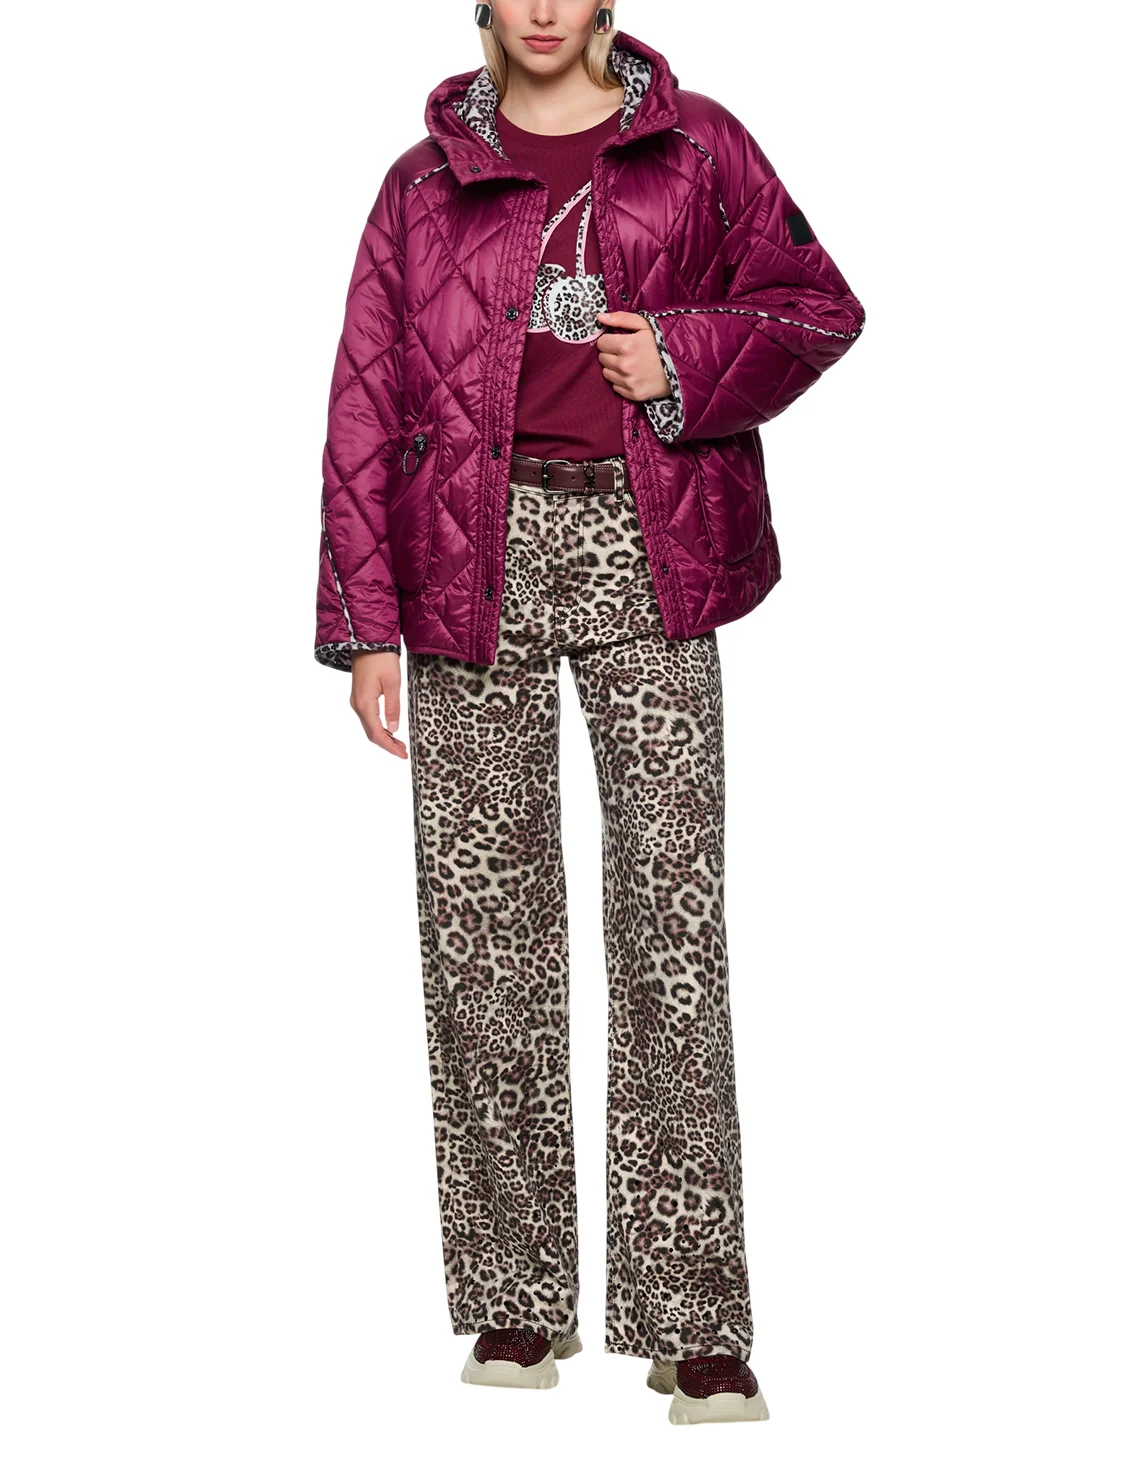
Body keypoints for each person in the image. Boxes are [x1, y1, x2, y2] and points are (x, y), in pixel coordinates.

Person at [313, 2, 863, 1427]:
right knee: (482, 930)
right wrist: (363, 623)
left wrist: (679, 354)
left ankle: (695, 1318)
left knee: (672, 926)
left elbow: (817, 307)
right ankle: (515, 1297)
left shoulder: (699, 146)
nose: (545, 8)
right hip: (466, 560)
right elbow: (364, 403)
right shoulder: (421, 181)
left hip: (650, 544)